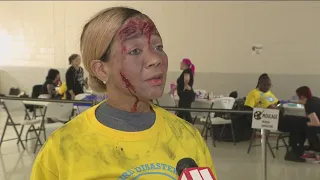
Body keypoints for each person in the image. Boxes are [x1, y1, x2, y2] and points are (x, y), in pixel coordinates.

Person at [31, 7, 216, 180]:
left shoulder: (188, 137)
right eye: (135, 50)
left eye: (158, 47)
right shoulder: (62, 148)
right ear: (102, 70)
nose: (156, 59)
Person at [172, 58, 195, 123]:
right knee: (183, 113)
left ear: (183, 64)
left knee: (184, 113)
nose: (180, 64)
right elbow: (180, 83)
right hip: (185, 96)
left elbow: (186, 79)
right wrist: (173, 89)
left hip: (185, 96)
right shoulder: (187, 71)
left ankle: (190, 129)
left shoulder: (187, 71)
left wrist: (186, 86)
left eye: (180, 63)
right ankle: (180, 128)